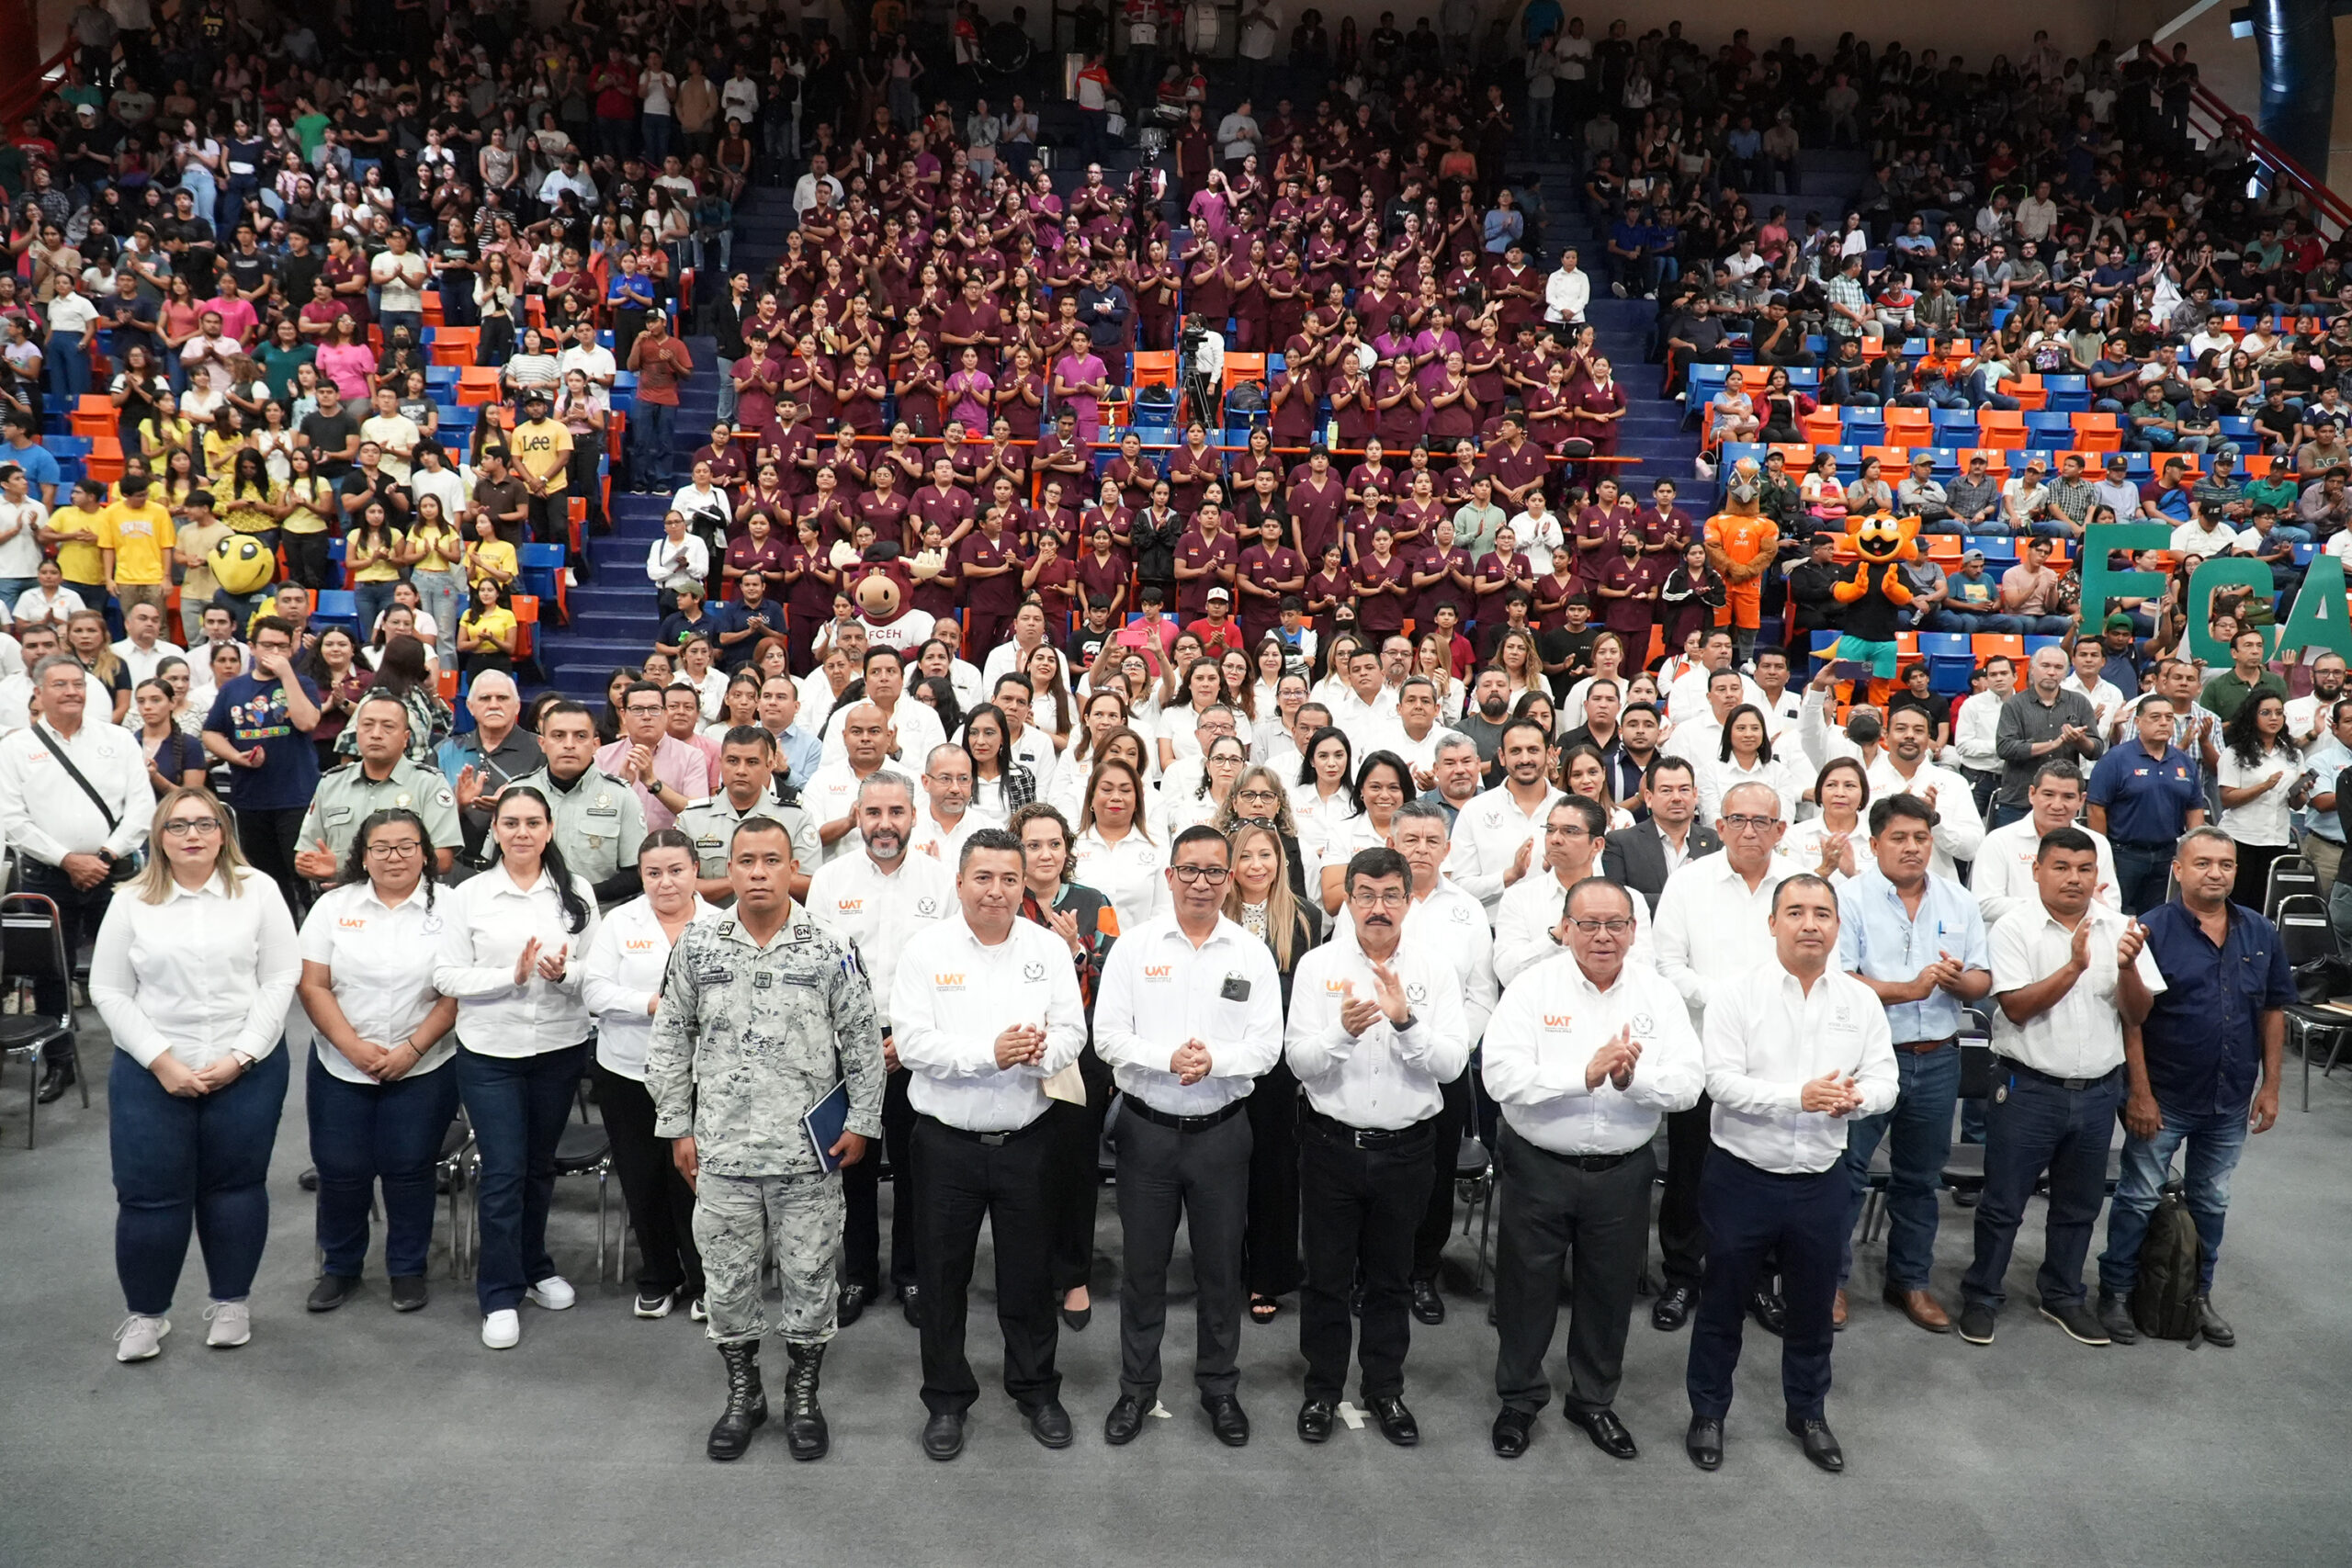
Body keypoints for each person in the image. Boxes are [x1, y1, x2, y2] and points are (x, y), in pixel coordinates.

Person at [646, 816, 887, 1462]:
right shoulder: (698, 944)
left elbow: (864, 1040)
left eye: (771, 860)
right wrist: (676, 1124)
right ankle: (744, 1390)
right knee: (725, 1282)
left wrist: (863, 1120)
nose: (757, 871)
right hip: (722, 1149)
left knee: (811, 1277)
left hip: (810, 1154)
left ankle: (803, 1392)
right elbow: (670, 1037)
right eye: (746, 859)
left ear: (790, 867)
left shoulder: (829, 943)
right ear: (730, 866)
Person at [1483, 874, 1702, 1461]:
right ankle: (1520, 1399)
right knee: (1526, 1289)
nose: (1602, 936)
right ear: (1565, 929)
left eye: (1615, 925)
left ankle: (1593, 1401)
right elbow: (1499, 1076)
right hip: (1539, 1165)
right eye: (1588, 924)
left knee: (1609, 1293)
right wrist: (1582, 1075)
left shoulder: (1657, 994)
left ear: (1634, 931)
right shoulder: (1531, 989)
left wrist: (1635, 1081)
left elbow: (1687, 1086)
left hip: (1624, 1170)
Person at [1683, 874, 1896, 1475]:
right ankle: (1708, 1410)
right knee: (1722, 1301)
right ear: (1772, 922)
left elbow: (1886, 1081)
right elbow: (1718, 1082)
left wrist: (1853, 1099)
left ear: (1837, 925)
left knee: (1811, 1305)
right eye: (1796, 911)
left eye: (1822, 912)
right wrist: (1797, 1096)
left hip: (1822, 1176)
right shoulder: (1736, 995)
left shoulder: (1859, 1000)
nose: (1810, 923)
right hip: (1741, 1174)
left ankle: (1807, 1411)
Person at [890, 829, 1089, 1461]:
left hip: (1029, 1138)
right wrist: (989, 1054)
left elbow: (1071, 1032)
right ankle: (947, 1399)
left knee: (1029, 1276)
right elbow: (914, 1044)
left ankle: (1035, 1388)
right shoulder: (925, 950)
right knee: (942, 1277)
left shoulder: (1047, 949)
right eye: (984, 877)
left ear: (1022, 883)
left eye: (1009, 878)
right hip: (946, 1142)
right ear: (960, 881)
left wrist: (1037, 1054)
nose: (997, 890)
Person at [93, 786, 300, 1361]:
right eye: (178, 825)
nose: (192, 835)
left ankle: (231, 1303)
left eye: (205, 824)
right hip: (150, 1069)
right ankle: (146, 1316)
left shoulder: (257, 891)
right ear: (159, 837)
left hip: (247, 1065)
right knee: (148, 1196)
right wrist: (162, 1061)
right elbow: (108, 989)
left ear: (223, 833)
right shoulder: (132, 898)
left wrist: (241, 1057)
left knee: (235, 1187)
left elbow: (281, 978)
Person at [1092, 825, 1283, 1447]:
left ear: (1230, 878)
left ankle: (1219, 1387)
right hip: (1148, 1132)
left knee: (1221, 1270)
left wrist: (1213, 1064)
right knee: (1143, 1270)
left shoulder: (1250, 953)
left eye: (1214, 871)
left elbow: (1265, 1046)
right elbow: (1108, 1038)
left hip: (1222, 1134)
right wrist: (1170, 1056)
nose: (1201, 881)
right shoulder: (1134, 946)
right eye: (1190, 869)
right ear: (1169, 875)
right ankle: (1136, 1389)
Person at [1285, 846, 1472, 1448]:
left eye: (1392, 894)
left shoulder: (1435, 971)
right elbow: (1300, 1062)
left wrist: (1405, 1021)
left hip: (1407, 1149)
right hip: (1330, 1145)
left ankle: (1384, 1388)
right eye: (1365, 893)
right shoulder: (1318, 968)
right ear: (1351, 899)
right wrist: (1344, 1029)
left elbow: (1450, 1066)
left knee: (1391, 1279)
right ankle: (1322, 1388)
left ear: (1410, 899)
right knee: (1326, 1277)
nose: (1378, 906)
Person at [1960, 828, 2164, 1349]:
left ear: (2098, 876)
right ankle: (1982, 1295)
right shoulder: (2013, 928)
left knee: (2078, 1205)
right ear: (2037, 871)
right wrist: (2075, 966)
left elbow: (2138, 1014)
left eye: (2084, 869)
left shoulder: (2122, 928)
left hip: (2097, 1092)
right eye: (2061, 868)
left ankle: (2063, 1294)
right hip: (2027, 1088)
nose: (2074, 879)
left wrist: (2125, 971)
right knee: (2004, 1204)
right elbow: (2016, 1007)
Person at [2094, 828, 2290, 1347]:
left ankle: (2195, 1296)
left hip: (2229, 1098)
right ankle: (2113, 1292)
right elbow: (2132, 1020)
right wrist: (2139, 1093)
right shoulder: (2151, 932)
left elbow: (2273, 1012)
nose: (2216, 873)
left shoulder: (2260, 932)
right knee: (2137, 1197)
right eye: (2203, 863)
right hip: (2165, 1094)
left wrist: (2270, 1087)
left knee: (2212, 1200)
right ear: (2178, 870)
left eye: (2225, 864)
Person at [430, 786, 602, 1351]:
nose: (522, 832)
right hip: (490, 1054)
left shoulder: (576, 893)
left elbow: (595, 973)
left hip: (558, 1047)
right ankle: (499, 1292)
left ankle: (534, 1266)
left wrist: (562, 974)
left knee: (537, 1168)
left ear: (550, 829)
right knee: (502, 1171)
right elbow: (448, 978)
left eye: (533, 822)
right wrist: (513, 975)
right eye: (511, 823)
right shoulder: (468, 896)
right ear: (495, 831)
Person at [1833, 795, 1993, 1332]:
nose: (1911, 848)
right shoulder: (1848, 897)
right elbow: (1840, 979)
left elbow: (1981, 979)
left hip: (1938, 1056)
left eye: (1921, 838)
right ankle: (1830, 1282)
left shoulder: (1957, 900)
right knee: (1848, 1174)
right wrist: (1908, 990)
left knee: (1920, 1180)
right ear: (1874, 843)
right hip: (1869, 1058)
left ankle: (1911, 1281)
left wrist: (1958, 982)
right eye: (1899, 838)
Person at [294, 807, 461, 1314]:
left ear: (426, 853)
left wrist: (412, 1049)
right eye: (382, 848)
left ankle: (407, 1269)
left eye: (407, 846)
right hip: (341, 1062)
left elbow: (458, 991)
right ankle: (341, 1268)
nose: (395, 857)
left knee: (409, 1167)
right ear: (363, 857)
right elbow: (313, 983)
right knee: (340, 1169)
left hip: (425, 1061)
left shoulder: (453, 908)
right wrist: (351, 1045)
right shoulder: (333, 907)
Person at [807, 771, 957, 1325]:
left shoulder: (941, 882)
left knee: (919, 1168)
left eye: (896, 812)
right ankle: (861, 1276)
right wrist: (862, 1043)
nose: (885, 824)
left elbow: (949, 969)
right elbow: (820, 969)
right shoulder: (829, 880)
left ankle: (913, 1275)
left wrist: (905, 1040)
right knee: (855, 1167)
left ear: (913, 816)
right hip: (849, 1047)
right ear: (858, 816)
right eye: (874, 813)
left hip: (915, 1048)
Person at [1650, 780, 1792, 1333]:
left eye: (1762, 821)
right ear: (1721, 825)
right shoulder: (1689, 884)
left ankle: (1757, 1280)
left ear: (1780, 829)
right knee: (1693, 1172)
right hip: (1703, 1051)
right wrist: (1732, 1002)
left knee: (1763, 1171)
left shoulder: (1799, 886)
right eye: (1738, 819)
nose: (1749, 830)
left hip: (1778, 1054)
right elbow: (1667, 967)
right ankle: (1682, 1277)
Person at [0, 651, 155, 1105]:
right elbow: (13, 820)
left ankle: (149, 1049)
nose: (71, 692)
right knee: (53, 971)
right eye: (61, 684)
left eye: (78, 684)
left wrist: (104, 855)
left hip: (115, 872)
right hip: (47, 877)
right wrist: (68, 859)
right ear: (39, 693)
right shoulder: (13, 747)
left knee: (142, 961)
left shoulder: (118, 740)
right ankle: (59, 1061)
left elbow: (142, 807)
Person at [579, 830, 712, 1323]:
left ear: (695, 870)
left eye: (676, 870)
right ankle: (659, 1275)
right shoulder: (619, 923)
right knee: (643, 1178)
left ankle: (703, 1280)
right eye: (653, 873)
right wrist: (651, 1005)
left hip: (702, 1078)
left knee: (695, 1182)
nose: (665, 882)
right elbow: (595, 991)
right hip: (628, 1073)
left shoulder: (722, 924)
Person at [1008, 802, 1122, 1332]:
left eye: (1054, 843)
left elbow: (1115, 977)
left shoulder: (1094, 902)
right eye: (1033, 844)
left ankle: (1075, 1275)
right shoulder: (1005, 899)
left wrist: (1074, 953)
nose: (1045, 853)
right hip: (1020, 1053)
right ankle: (1030, 1269)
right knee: (1027, 1171)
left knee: (1076, 1168)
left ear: (1067, 851)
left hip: (1082, 1055)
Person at [1389, 800, 1499, 1324]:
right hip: (1380, 1060)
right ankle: (1376, 1272)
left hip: (1444, 1068)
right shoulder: (1371, 900)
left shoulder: (1468, 911)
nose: (1421, 850)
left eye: (1432, 841)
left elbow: (1482, 995)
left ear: (1448, 849)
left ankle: (1421, 1273)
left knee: (1434, 1177)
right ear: (1393, 844)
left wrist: (1453, 1048)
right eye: (1411, 840)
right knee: (1382, 1174)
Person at [1223, 819, 1320, 1323]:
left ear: (1281, 861)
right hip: (1221, 1057)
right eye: (1246, 856)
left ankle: (1268, 1274)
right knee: (1222, 1173)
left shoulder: (1306, 916)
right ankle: (1221, 1270)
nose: (1257, 866)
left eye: (1267, 855)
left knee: (1275, 1172)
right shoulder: (1213, 912)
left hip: (1279, 1065)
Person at [200, 615, 322, 908]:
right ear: (252, 648)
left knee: (304, 876)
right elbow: (211, 732)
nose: (275, 652)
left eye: (282, 646)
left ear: (292, 650)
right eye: (268, 645)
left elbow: (307, 722)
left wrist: (286, 675)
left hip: (296, 797)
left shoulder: (302, 684)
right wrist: (235, 757)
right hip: (251, 798)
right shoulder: (234, 689)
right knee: (268, 881)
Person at [293, 694, 461, 881]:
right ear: (357, 732)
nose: (376, 734)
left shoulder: (428, 784)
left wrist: (345, 873)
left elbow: (444, 860)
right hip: (342, 903)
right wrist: (313, 866)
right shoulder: (331, 783)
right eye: (367, 725)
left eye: (388, 726)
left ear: (405, 737)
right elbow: (305, 856)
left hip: (408, 904)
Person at [2087, 694, 2208, 914]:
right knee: (2112, 915)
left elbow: (2194, 810)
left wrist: (2193, 853)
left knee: (2159, 919)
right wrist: (2103, 856)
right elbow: (2096, 809)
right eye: (2155, 717)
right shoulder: (2115, 759)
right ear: (2138, 722)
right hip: (2124, 855)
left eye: (2169, 717)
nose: (2163, 722)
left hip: (2167, 855)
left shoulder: (2183, 762)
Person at [1992, 646, 2104, 829]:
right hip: (2019, 800)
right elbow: (2005, 747)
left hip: (2062, 803)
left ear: (2066, 673)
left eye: (2058, 668)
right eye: (2045, 666)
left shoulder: (2079, 702)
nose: (2052, 672)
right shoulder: (2015, 704)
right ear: (2032, 670)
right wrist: (2054, 744)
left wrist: (2079, 740)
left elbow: (2096, 750)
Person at [2214, 690, 2304, 908]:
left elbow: (2296, 804)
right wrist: (2265, 786)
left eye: (2279, 713)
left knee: (2264, 904)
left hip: (2277, 838)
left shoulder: (2293, 754)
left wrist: (2301, 791)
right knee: (2236, 902)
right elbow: (2227, 798)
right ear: (2252, 716)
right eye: (2266, 713)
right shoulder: (2234, 753)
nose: (2274, 718)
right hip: (2242, 837)